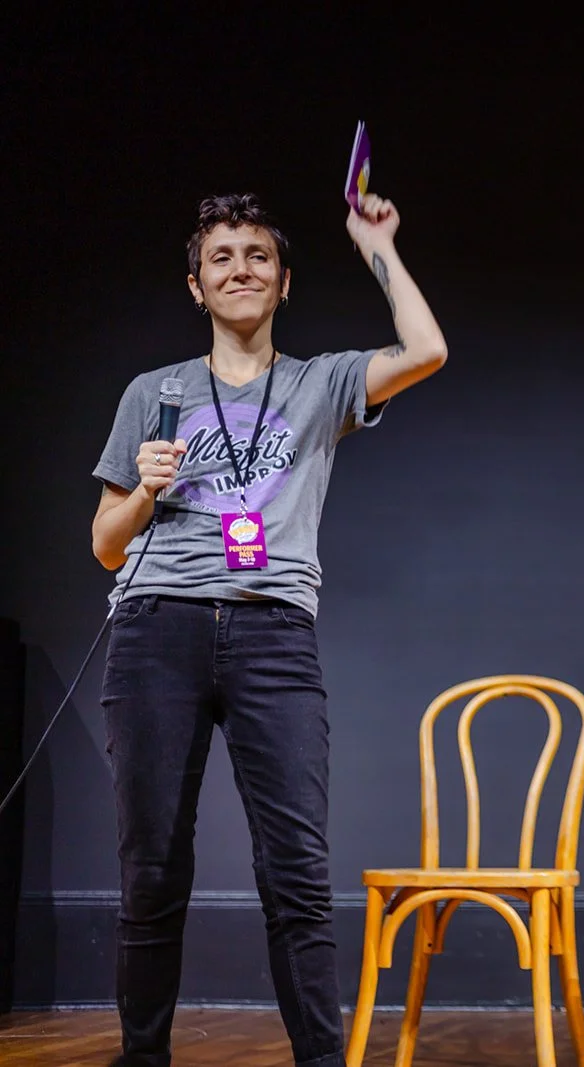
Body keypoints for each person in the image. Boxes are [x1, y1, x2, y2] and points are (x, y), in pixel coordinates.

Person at [90, 191, 447, 1067]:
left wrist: (379, 247)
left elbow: (428, 350)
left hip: (272, 635)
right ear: (196, 285)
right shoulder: (154, 392)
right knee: (153, 872)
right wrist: (144, 489)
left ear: (282, 283)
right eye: (221, 257)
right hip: (156, 630)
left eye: (257, 256)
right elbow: (104, 546)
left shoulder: (319, 381)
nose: (240, 268)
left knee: (295, 869)